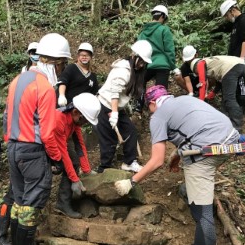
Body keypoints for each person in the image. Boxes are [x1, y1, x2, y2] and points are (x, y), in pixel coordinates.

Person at [115, 85, 241, 245]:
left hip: (206, 150)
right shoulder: (183, 101)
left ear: (152, 103)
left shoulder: (157, 117)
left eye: (150, 107)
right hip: (230, 139)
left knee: (203, 216)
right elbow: (192, 128)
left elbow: (156, 161)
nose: (151, 112)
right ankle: (191, 190)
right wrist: (177, 155)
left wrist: (132, 181)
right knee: (196, 175)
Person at [4, 33, 70, 245]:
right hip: (32, 151)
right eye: (63, 64)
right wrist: (57, 158)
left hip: (13, 147)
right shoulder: (44, 87)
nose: (62, 69)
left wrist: (10, 143)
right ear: (56, 61)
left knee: (20, 199)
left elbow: (6, 117)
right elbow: (48, 131)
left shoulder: (17, 80)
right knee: (32, 201)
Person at [96, 40, 152, 173]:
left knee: (130, 130)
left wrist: (122, 108)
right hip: (104, 105)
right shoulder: (122, 70)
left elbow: (125, 93)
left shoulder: (135, 70)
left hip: (117, 107)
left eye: (144, 62)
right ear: (134, 56)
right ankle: (104, 169)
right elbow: (114, 93)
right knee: (108, 139)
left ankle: (129, 162)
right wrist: (114, 113)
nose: (142, 64)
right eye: (141, 61)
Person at [54, 93, 100, 219]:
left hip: (59, 144)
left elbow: (79, 145)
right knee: (62, 166)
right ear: (75, 112)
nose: (84, 123)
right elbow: (63, 153)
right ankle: (61, 204)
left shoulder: (74, 122)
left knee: (74, 161)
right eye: (84, 120)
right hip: (42, 147)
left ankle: (63, 203)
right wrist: (74, 180)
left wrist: (87, 170)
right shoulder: (59, 119)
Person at [135, 4, 179, 113]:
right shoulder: (164, 30)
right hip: (162, 64)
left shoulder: (143, 32)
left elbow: (138, 50)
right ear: (163, 16)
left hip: (146, 64)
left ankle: (138, 107)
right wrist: (173, 66)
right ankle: (161, 112)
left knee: (140, 82)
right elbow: (169, 50)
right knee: (161, 92)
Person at [190, 56, 245, 132]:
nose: (198, 74)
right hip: (240, 65)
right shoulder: (211, 63)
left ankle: (237, 127)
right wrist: (212, 94)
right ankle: (226, 122)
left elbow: (202, 83)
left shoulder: (200, 63)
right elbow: (220, 82)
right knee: (225, 100)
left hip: (231, 68)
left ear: (195, 67)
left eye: (196, 72)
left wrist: (200, 103)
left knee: (229, 99)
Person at [219, 0, 245, 113]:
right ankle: (234, 106)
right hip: (233, 59)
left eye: (226, 15)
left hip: (240, 59)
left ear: (232, 10)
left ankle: (242, 107)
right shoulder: (236, 23)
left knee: (241, 82)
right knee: (235, 82)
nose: (227, 18)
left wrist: (242, 58)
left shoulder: (244, 19)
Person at [57, 42, 99, 107]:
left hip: (79, 110)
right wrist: (61, 95)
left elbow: (94, 94)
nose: (84, 57)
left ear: (91, 57)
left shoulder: (93, 76)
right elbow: (63, 82)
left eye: (87, 55)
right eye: (82, 55)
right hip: (65, 105)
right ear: (78, 56)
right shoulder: (71, 68)